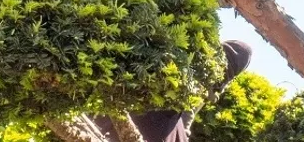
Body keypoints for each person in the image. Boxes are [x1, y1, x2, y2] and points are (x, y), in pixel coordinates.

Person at [90, 40, 253, 142]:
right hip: (144, 113)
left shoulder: (203, 69)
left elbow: (188, 115)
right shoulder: (201, 67)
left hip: (147, 116)